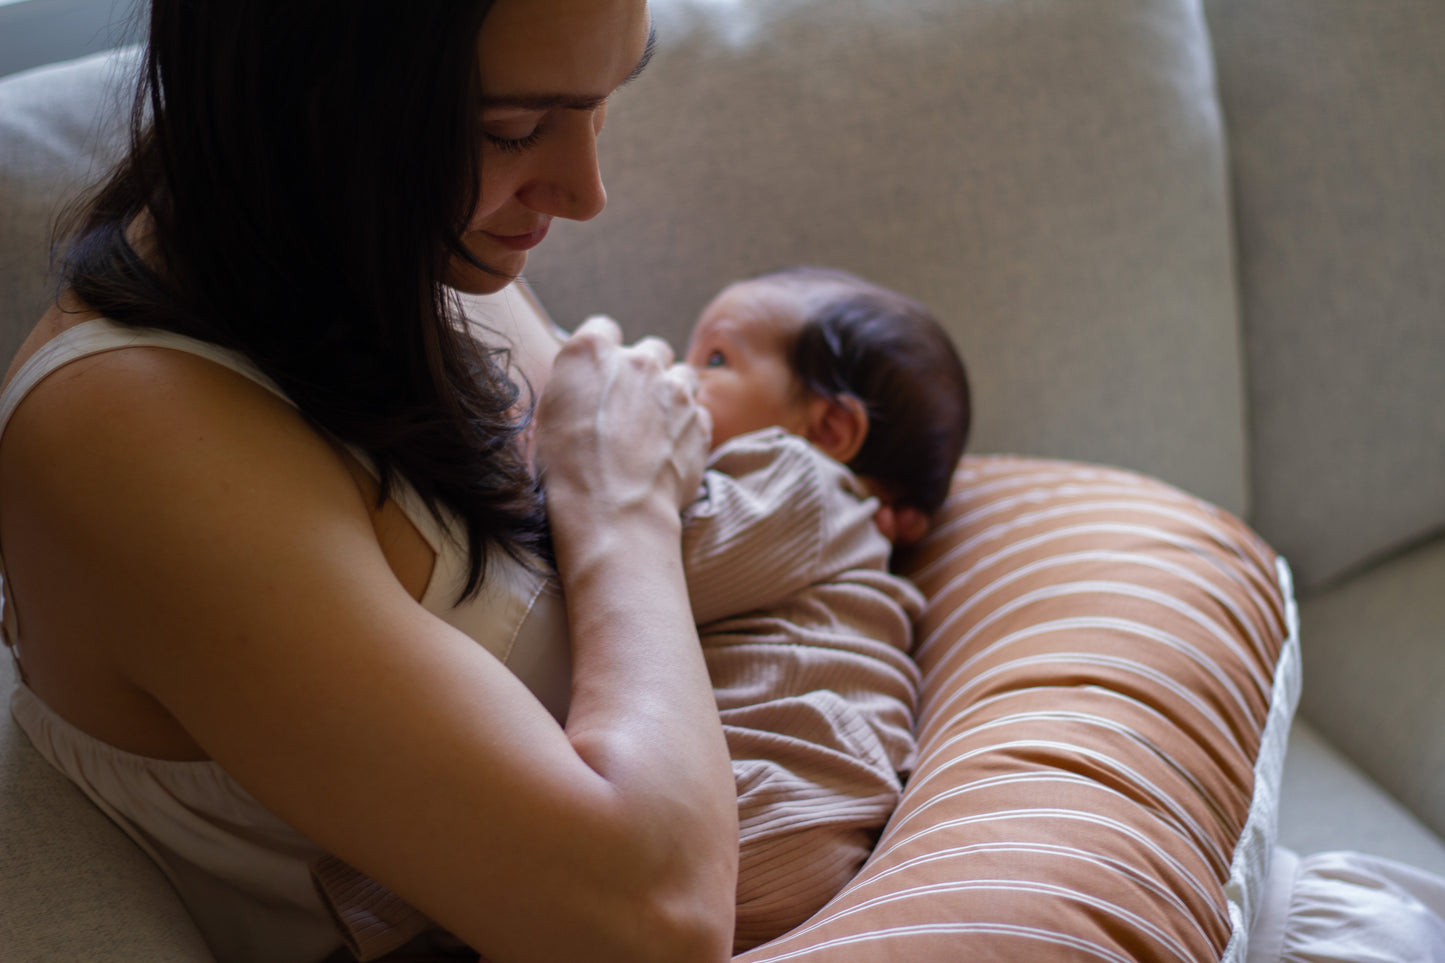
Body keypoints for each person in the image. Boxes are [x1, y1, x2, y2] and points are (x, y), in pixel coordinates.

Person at [0, 3, 742, 962]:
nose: (585, 191)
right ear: (304, 95)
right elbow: (657, 923)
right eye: (510, 129)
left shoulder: (391, 247)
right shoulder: (126, 434)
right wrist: (625, 509)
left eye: (600, 105)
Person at [680, 266, 972, 949]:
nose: (675, 372)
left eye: (713, 359)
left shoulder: (801, 481)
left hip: (747, 806)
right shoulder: (839, 532)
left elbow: (648, 560)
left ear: (830, 428)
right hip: (800, 837)